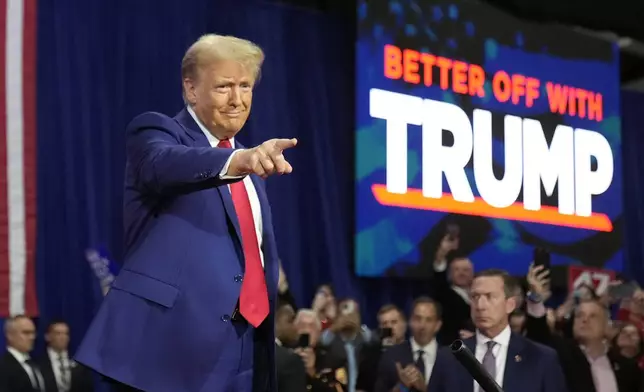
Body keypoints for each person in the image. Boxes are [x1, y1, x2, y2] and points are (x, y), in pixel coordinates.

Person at [74, 34, 297, 392]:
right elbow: (163, 165)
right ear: (191, 89)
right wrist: (237, 160)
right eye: (224, 86)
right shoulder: (158, 132)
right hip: (163, 356)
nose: (238, 100)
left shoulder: (253, 171)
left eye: (245, 86)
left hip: (243, 355)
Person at [428, 269, 568, 392]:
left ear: (510, 304)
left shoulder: (541, 358)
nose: (480, 306)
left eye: (490, 297)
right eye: (475, 297)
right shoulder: (448, 358)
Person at [375, 297, 450, 392]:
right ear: (410, 321)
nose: (422, 325)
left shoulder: (449, 358)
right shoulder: (391, 356)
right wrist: (402, 387)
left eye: (428, 320)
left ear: (438, 325)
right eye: (418, 319)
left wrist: (424, 389)